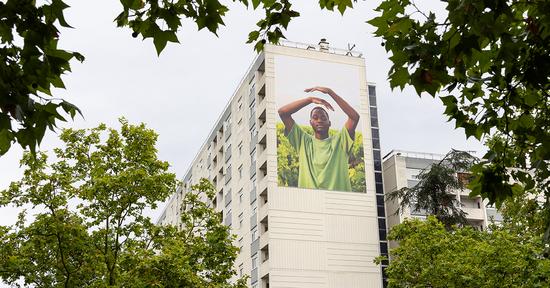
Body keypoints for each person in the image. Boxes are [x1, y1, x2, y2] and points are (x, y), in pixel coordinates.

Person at [278, 86, 360, 191]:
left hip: (337, 202)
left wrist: (330, 92)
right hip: (310, 202)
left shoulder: (340, 141)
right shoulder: (303, 141)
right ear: (310, 122)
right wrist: (310, 100)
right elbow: (282, 113)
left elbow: (354, 117)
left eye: (323, 118)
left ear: (329, 123)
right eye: (315, 118)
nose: (319, 120)